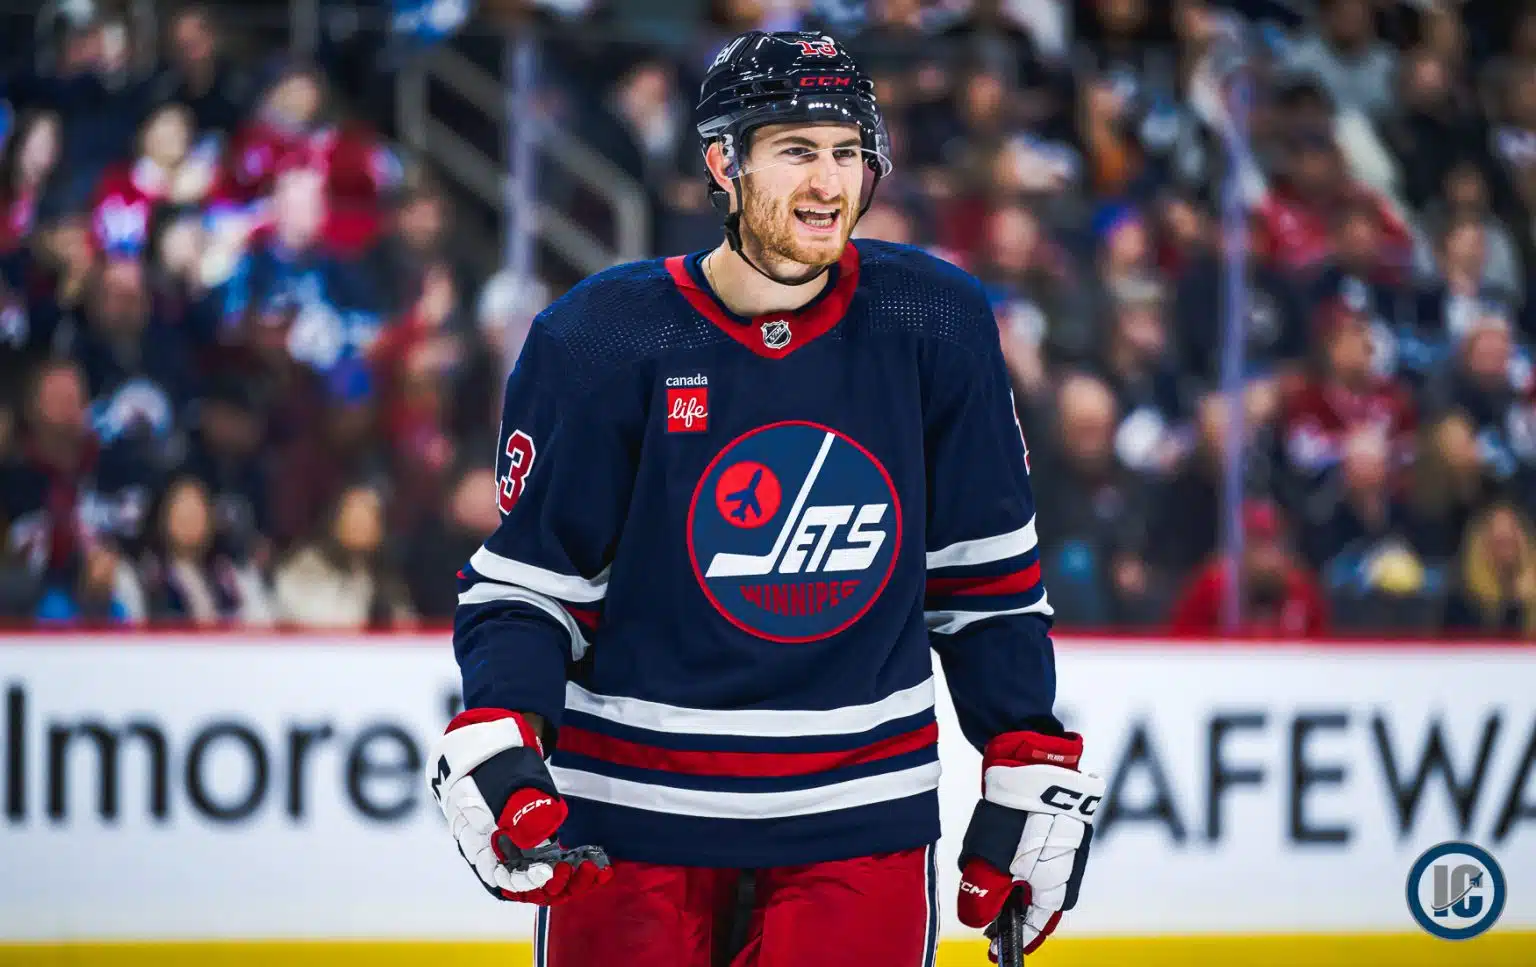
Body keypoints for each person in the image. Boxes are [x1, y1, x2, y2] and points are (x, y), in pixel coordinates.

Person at [426, 31, 1101, 967]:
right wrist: (502, 722)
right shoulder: (601, 338)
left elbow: (983, 582)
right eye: (795, 150)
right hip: (630, 829)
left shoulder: (934, 324)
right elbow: (533, 586)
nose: (828, 183)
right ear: (723, 164)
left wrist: (1024, 748)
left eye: (846, 151)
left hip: (858, 829)